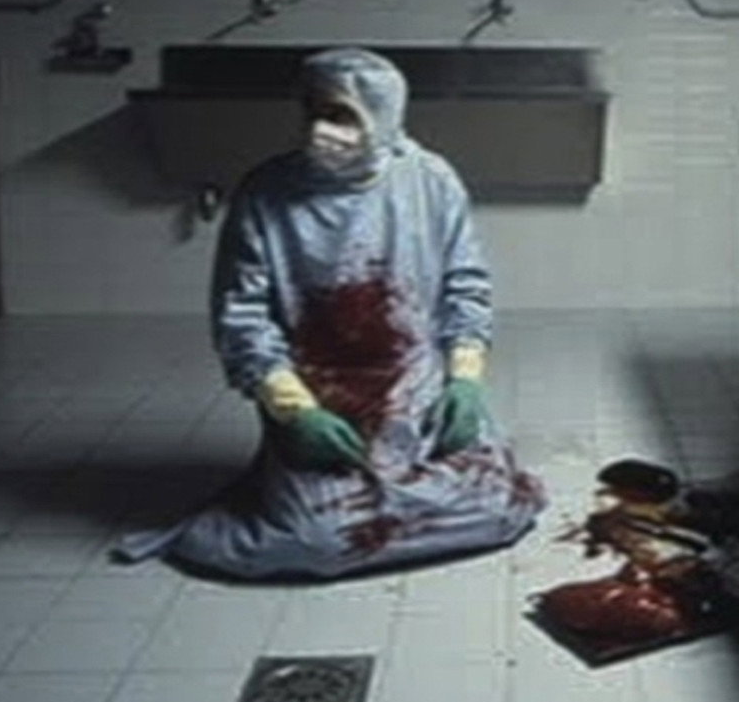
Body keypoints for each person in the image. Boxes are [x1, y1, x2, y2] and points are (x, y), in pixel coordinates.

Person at [116, 48, 545, 579]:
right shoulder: (267, 192)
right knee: (319, 540)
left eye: (342, 115)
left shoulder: (429, 180)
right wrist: (294, 410)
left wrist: (464, 380)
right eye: (314, 111)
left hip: (415, 384)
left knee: (501, 509)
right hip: (320, 387)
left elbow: (465, 284)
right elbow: (243, 316)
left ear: (383, 117)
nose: (322, 129)